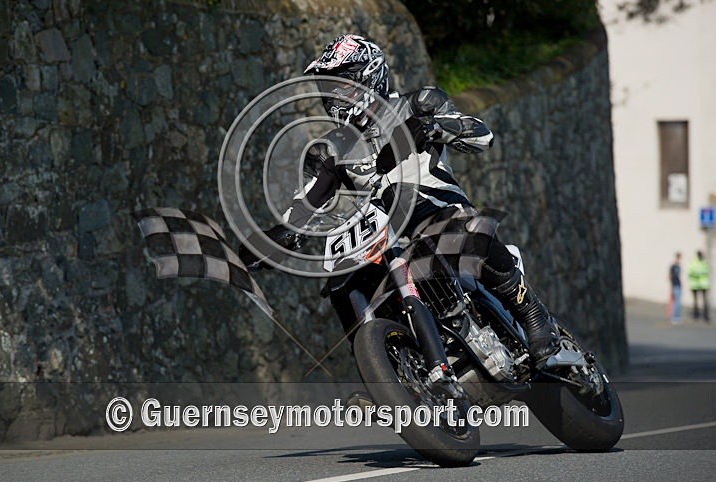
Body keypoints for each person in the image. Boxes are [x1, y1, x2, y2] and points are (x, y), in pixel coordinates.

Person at [240, 34, 559, 370]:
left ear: (370, 75)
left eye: (342, 86)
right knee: (342, 282)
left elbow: (482, 136)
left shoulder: (418, 103)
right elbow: (305, 204)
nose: (334, 98)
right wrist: (275, 238)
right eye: (328, 89)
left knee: (466, 229)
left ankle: (532, 312)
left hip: (437, 210)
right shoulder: (329, 149)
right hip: (388, 234)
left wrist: (436, 126)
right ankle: (388, 371)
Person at [687, 250, 710, 322]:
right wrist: (699, 273)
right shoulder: (694, 263)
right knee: (696, 301)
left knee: (705, 301)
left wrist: (699, 273)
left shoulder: (704, 262)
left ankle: (706, 316)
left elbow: (707, 271)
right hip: (695, 285)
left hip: (703, 285)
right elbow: (690, 272)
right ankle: (696, 315)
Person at [668, 252, 682, 324]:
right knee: (676, 302)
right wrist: (672, 285)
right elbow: (670, 276)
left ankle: (678, 316)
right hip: (675, 285)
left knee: (678, 302)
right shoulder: (673, 266)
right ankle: (674, 317)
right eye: (678, 258)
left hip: (679, 285)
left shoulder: (679, 266)